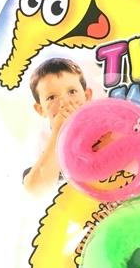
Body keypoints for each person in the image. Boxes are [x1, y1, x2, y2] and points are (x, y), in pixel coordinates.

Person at [23, 58, 92, 195]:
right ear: (40, 109)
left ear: (87, 96)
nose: (64, 102)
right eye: (51, 97)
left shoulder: (104, 127)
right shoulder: (40, 141)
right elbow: (35, 190)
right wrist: (58, 134)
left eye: (72, 91)